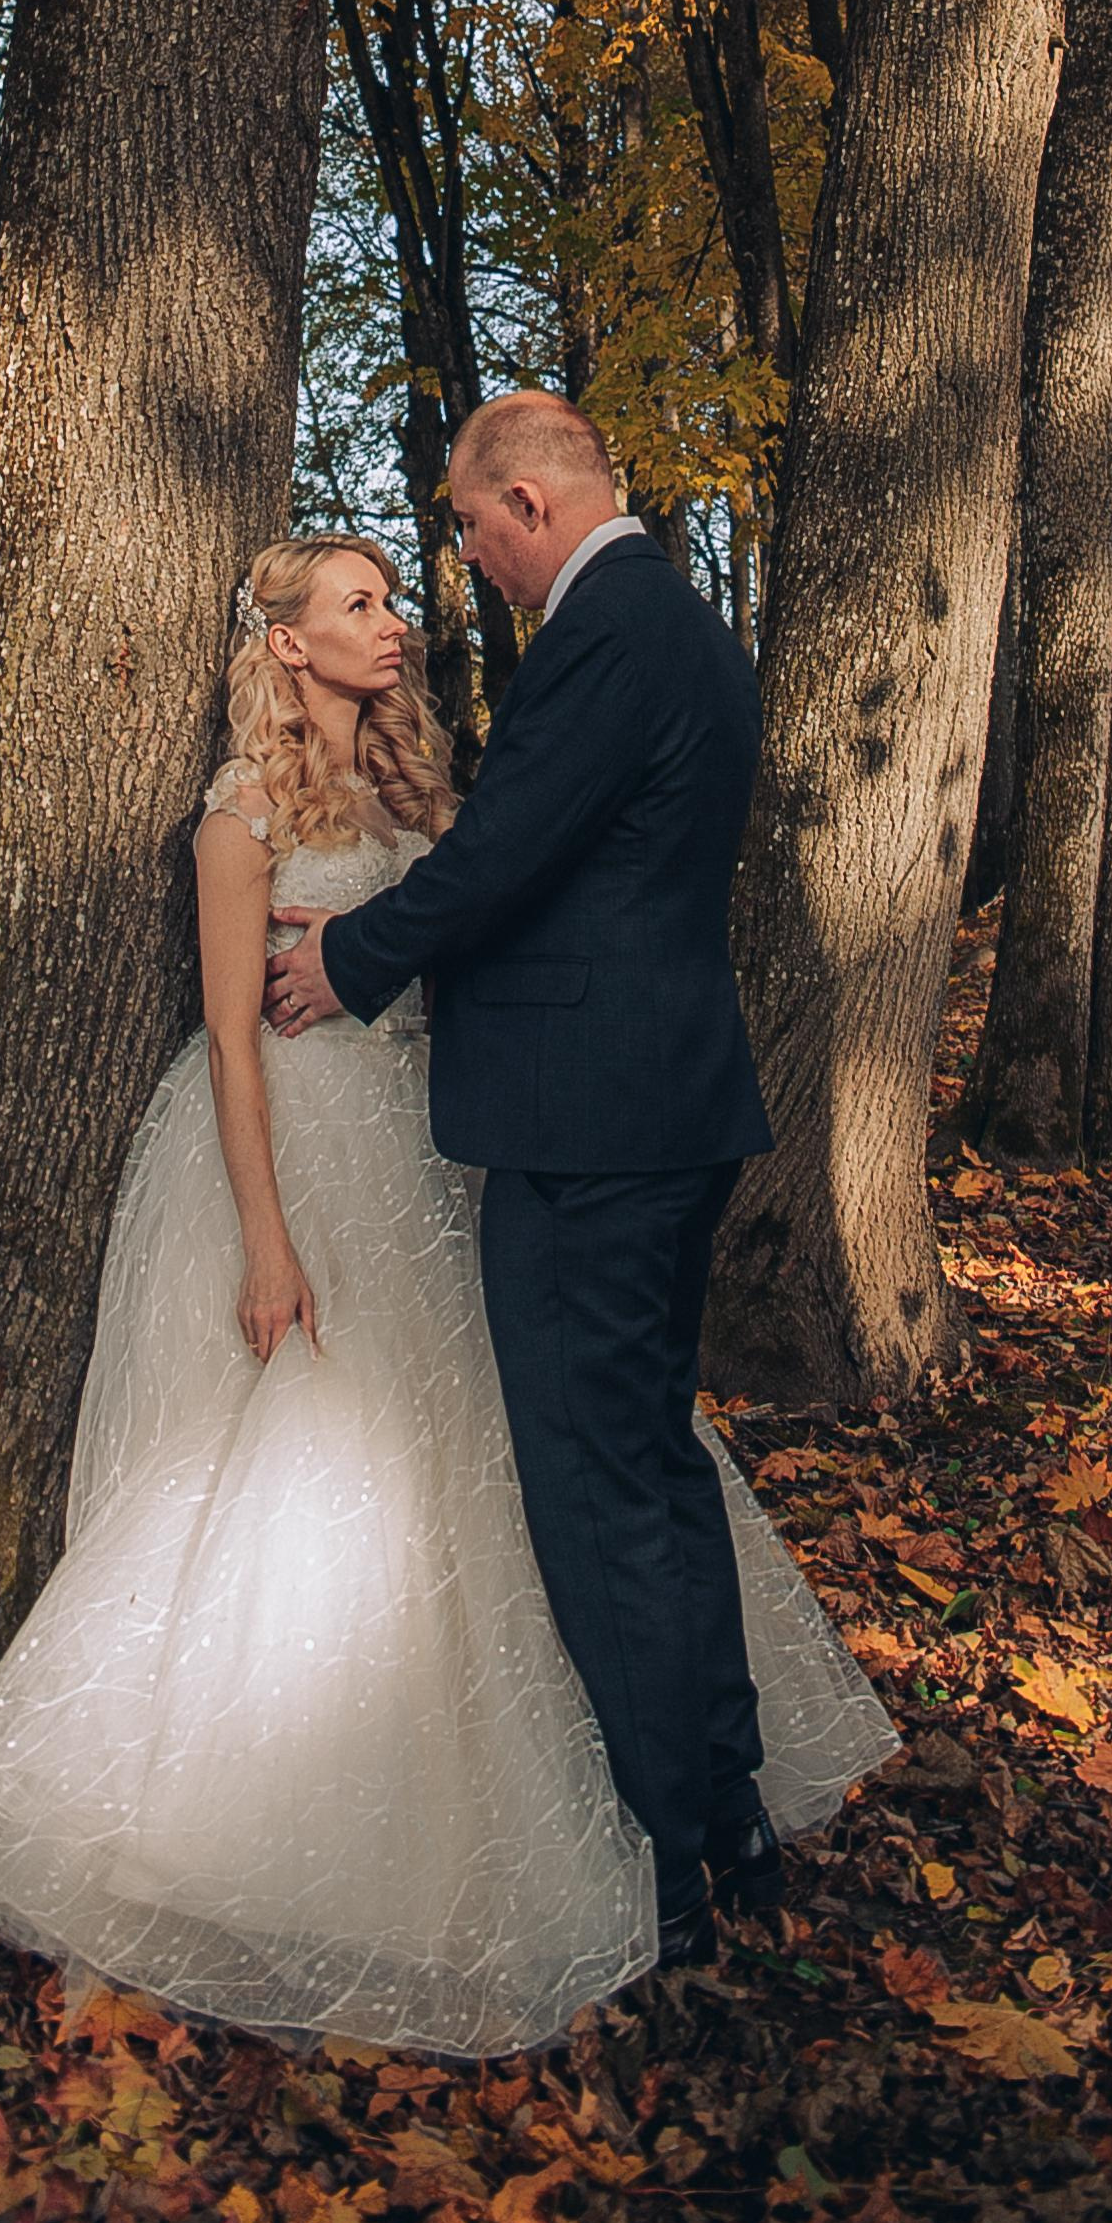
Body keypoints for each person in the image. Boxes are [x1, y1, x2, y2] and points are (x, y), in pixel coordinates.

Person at [0, 517, 891, 2057]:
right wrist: (270, 1238)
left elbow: (472, 929)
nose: (396, 623)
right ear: (286, 640)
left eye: (391, 600)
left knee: (514, 1461)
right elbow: (233, 1040)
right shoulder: (237, 818)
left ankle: (672, 1793)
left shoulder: (425, 789)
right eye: (359, 605)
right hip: (306, 1161)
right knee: (331, 1473)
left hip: (439, 1156)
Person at [267, 392, 855, 1967]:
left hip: (589, 1131)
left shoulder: (612, 630)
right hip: (657, 1108)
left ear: (528, 503)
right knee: (651, 1474)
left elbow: (506, 848)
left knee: (598, 1492)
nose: (465, 559)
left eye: (466, 527)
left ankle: (674, 1858)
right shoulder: (683, 627)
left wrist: (349, 955)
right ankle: (721, 1810)